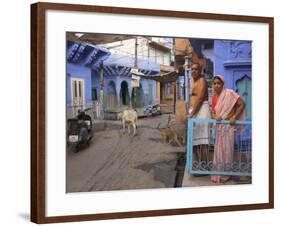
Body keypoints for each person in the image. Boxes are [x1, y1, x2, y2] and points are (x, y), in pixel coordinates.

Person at [210, 75, 246, 183]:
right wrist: (215, 116)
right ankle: (217, 174)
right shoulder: (213, 97)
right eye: (214, 83)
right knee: (218, 151)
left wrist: (234, 116)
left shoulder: (229, 94)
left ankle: (225, 174)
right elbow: (213, 112)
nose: (216, 85)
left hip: (228, 127)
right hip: (219, 127)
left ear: (223, 84)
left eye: (219, 83)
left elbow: (242, 104)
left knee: (227, 150)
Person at [187, 63, 211, 167]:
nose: (193, 71)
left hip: (201, 111)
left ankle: (205, 165)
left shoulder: (202, 81)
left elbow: (200, 99)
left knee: (203, 142)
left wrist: (192, 113)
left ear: (200, 70)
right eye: (192, 69)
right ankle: (200, 164)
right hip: (194, 112)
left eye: (196, 69)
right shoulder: (192, 81)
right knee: (194, 141)